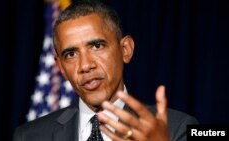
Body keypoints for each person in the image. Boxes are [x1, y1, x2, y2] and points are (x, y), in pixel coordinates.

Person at [13, 0, 198, 141]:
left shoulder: (177, 129)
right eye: (70, 54)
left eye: (97, 45)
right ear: (60, 67)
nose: (85, 65)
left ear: (125, 49)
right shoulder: (30, 136)